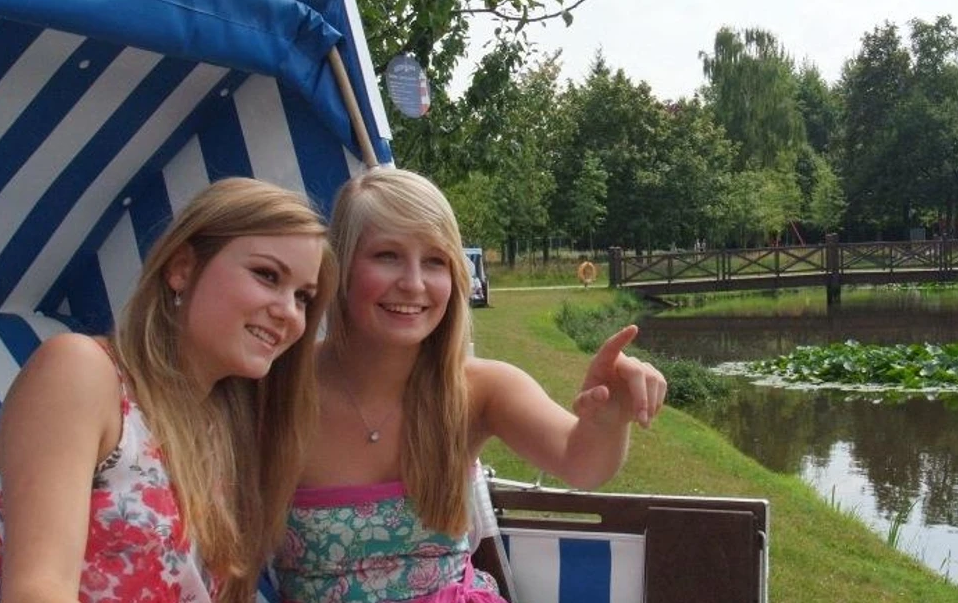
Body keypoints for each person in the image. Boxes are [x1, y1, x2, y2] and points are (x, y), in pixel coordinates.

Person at [274, 167, 667, 602]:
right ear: (341, 266)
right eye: (386, 255)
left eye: (435, 261)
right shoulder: (280, 384)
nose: (414, 283)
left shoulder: (482, 388)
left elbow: (582, 464)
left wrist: (609, 420)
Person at [0, 178, 337, 603]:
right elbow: (37, 590)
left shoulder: (226, 426)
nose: (288, 312)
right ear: (181, 268)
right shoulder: (83, 372)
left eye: (303, 297)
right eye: (267, 275)